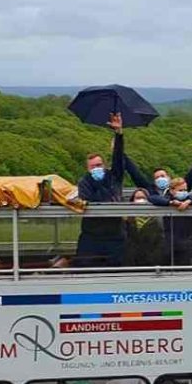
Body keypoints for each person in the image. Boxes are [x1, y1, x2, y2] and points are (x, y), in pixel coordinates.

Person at [76, 111, 126, 267]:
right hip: (92, 236)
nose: (96, 169)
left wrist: (118, 133)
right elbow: (88, 201)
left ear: (104, 165)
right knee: (86, 269)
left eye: (98, 165)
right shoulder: (84, 182)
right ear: (87, 168)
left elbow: (118, 158)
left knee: (117, 270)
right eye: (92, 167)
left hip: (115, 235)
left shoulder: (113, 176)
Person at [123, 188, 164, 267]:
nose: (140, 201)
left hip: (152, 262)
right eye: (137, 198)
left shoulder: (157, 220)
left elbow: (159, 243)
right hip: (131, 262)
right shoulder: (126, 220)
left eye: (143, 198)